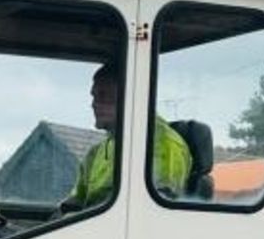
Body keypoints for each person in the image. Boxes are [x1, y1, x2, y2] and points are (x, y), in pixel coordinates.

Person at [67, 62, 191, 208]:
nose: (94, 104)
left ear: (130, 96)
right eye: (94, 96)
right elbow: (74, 202)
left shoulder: (164, 144)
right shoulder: (95, 153)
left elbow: (154, 209)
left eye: (104, 96)